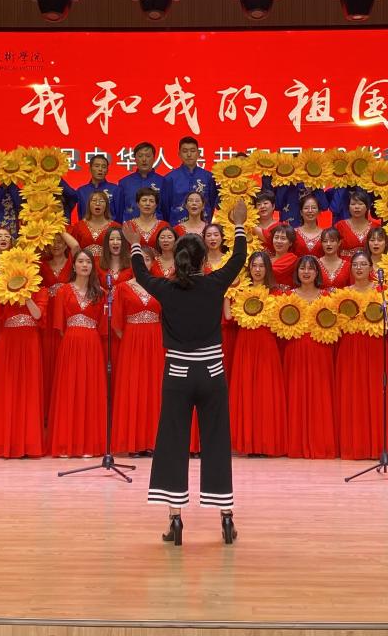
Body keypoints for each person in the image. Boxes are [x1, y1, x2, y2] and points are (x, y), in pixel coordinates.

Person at [124, 199, 247, 546]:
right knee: (217, 440)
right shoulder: (214, 283)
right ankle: (226, 517)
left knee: (173, 442)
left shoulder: (166, 289)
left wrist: (136, 244)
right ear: (204, 260)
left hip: (178, 373)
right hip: (212, 371)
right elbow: (238, 259)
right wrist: (238, 226)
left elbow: (141, 274)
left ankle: (175, 519)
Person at [334, 251, 388, 460]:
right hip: (350, 347)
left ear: (371, 268)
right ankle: (354, 445)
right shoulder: (343, 294)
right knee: (352, 393)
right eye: (355, 265)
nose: (359, 268)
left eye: (363, 264)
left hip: (376, 346)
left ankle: (378, 445)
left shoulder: (383, 292)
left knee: (377, 393)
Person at [47, 249, 108, 458]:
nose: (84, 265)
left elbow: (103, 325)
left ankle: (88, 444)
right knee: (69, 389)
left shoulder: (101, 293)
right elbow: (60, 326)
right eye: (80, 261)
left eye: (88, 262)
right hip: (71, 343)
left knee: (90, 390)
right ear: (73, 266)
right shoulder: (63, 291)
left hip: (92, 344)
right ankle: (65, 444)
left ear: (93, 267)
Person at [226, 251, 287, 457]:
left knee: (265, 392)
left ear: (267, 269)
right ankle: (248, 443)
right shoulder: (241, 290)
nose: (258, 270)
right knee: (247, 391)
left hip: (266, 344)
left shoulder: (276, 293)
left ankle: (266, 442)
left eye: (261, 266)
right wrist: (228, 292)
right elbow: (228, 316)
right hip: (245, 344)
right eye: (254, 266)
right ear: (249, 269)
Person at [0, 287, 48, 459]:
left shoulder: (40, 290)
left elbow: (38, 315)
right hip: (8, 341)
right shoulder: (3, 287)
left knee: (29, 390)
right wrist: (9, 289)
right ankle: (4, 443)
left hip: (30, 341)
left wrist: (26, 295)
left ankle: (28, 444)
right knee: (5, 390)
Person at [110, 254, 164, 455]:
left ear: (152, 262)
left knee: (154, 387)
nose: (143, 263)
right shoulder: (121, 288)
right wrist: (131, 339)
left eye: (147, 259)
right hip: (132, 342)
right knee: (133, 386)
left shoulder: (160, 285)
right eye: (138, 259)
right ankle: (134, 443)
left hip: (156, 340)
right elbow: (117, 323)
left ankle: (154, 442)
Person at [284, 257, 338, 459]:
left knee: (320, 395)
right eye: (302, 268)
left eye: (310, 269)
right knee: (295, 394)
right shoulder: (287, 296)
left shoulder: (328, 297)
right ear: (297, 272)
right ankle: (295, 444)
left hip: (321, 350)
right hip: (295, 350)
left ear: (317, 273)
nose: (306, 272)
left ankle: (321, 443)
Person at [39, 232, 80, 416]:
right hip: (46, 317)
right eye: (52, 242)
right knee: (46, 360)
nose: (56, 245)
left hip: (66, 316)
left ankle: (62, 408)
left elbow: (76, 246)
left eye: (60, 242)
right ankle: (46, 408)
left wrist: (57, 227)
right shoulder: (41, 265)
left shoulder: (72, 263)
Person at [160, 137, 218, 226]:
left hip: (203, 227)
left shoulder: (208, 177)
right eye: (185, 151)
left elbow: (212, 203)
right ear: (179, 154)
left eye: (192, 151)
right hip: (177, 228)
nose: (189, 154)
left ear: (198, 153)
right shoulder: (170, 178)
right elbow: (165, 208)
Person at [114, 141, 165, 223]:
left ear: (154, 158)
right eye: (140, 156)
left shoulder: (163, 182)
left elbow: (166, 210)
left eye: (148, 156)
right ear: (135, 158)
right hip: (130, 227)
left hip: (156, 228)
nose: (144, 159)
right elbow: (119, 212)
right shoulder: (124, 183)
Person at [70, 191, 119, 260]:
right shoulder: (78, 226)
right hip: (84, 265)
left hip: (108, 265)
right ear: (88, 205)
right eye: (94, 201)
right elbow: (72, 251)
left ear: (106, 205)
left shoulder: (116, 227)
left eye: (101, 201)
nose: (97, 203)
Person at [75, 153, 117, 223]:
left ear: (107, 170)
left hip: (111, 229)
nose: (100, 169)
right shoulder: (81, 191)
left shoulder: (116, 190)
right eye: (97, 166)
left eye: (104, 167)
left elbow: (119, 217)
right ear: (90, 169)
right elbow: (81, 216)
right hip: (86, 228)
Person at [333, 188, 376, 256]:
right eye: (353, 204)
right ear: (348, 207)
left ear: (367, 207)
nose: (356, 207)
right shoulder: (339, 226)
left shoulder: (375, 227)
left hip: (369, 261)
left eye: (360, 204)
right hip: (345, 261)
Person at [269, 223, 298, 288]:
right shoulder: (268, 258)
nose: (279, 241)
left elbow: (273, 272)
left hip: (285, 294)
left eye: (283, 238)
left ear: (290, 243)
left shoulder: (292, 258)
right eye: (276, 237)